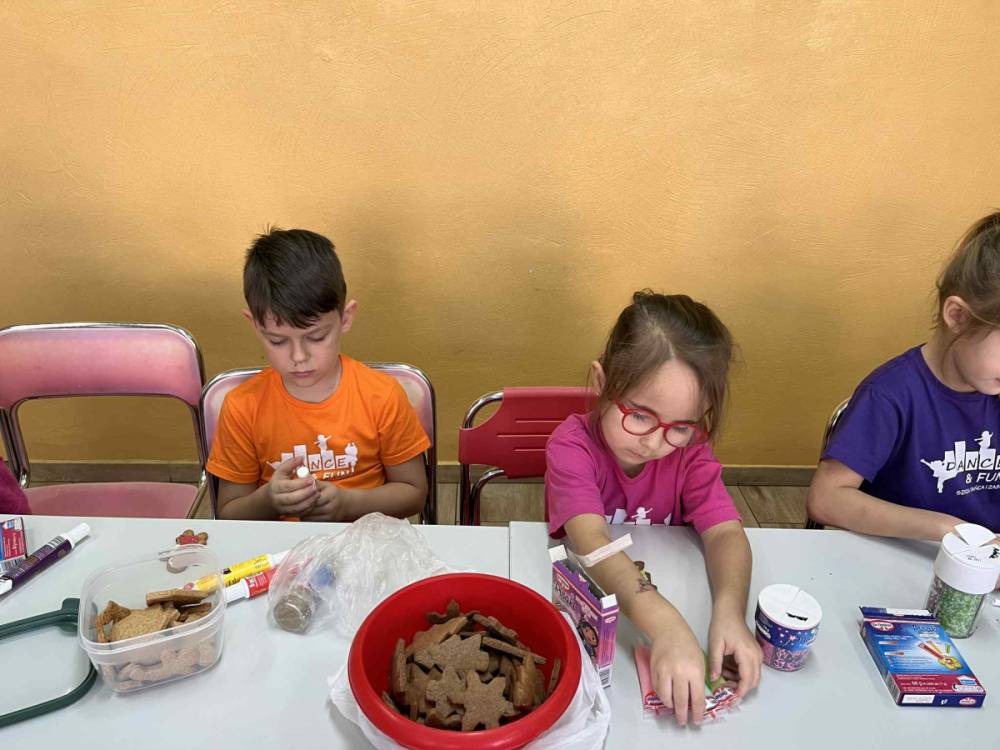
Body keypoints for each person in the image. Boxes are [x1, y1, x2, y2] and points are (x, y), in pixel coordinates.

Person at [545, 290, 761, 726]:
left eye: (680, 426)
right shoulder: (571, 447)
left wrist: (729, 612)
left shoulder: (691, 452)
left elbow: (725, 532)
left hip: (671, 595)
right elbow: (591, 542)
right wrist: (665, 625)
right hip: (605, 636)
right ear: (602, 382)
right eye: (640, 416)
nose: (654, 442)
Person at [207, 228, 429, 521]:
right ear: (255, 325)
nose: (299, 357)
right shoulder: (242, 406)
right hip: (279, 546)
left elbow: (414, 494)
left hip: (366, 539)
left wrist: (347, 504)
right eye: (277, 341)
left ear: (346, 318)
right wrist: (268, 501)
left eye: (316, 337)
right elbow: (229, 514)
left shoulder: (382, 395)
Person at [808, 213, 1000, 538]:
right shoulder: (890, 395)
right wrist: (949, 530)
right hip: (906, 552)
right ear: (958, 316)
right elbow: (826, 499)